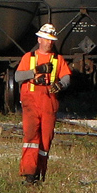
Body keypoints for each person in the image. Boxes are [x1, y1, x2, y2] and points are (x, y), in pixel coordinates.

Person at [15, 23, 72, 184]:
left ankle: (40, 173)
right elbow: (18, 77)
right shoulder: (29, 57)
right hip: (31, 101)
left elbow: (66, 76)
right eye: (46, 39)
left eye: (51, 40)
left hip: (49, 101)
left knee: (46, 139)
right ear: (39, 39)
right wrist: (35, 71)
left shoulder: (58, 59)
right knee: (31, 136)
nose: (49, 43)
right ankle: (29, 174)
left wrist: (60, 85)